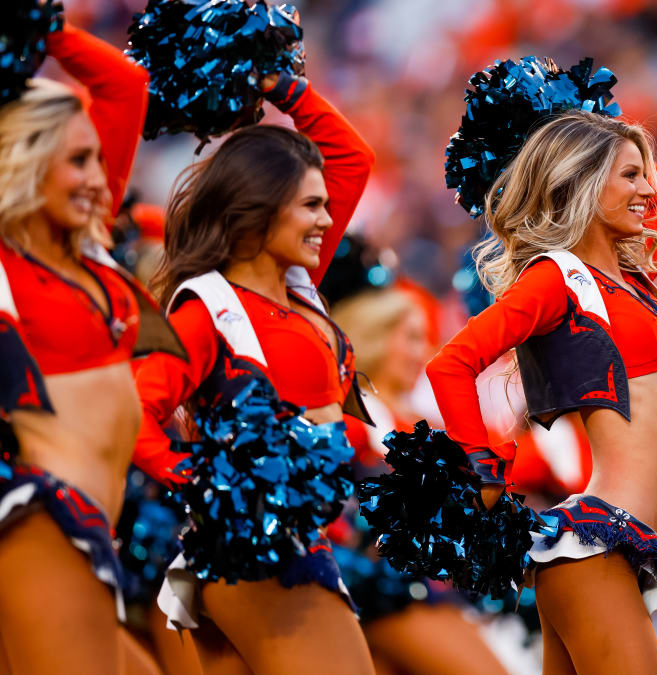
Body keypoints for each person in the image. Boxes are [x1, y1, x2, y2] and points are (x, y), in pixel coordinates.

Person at [426, 110, 657, 673]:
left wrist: (584, 116)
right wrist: (482, 471)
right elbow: (450, 364)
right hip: (596, 545)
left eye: (645, 174)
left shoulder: (632, 278)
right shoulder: (557, 279)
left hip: (622, 548)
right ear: (581, 182)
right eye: (629, 176)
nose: (649, 190)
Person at [133, 69, 376, 674]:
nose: (325, 221)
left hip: (297, 545)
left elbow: (353, 156)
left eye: (326, 204)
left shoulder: (299, 290)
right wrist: (207, 483)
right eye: (310, 206)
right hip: (252, 554)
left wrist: (280, 84)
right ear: (259, 211)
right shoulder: (206, 309)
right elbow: (136, 411)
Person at [0, 20, 181, 675]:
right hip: (39, 517)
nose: (97, 177)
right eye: (76, 161)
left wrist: (42, 26)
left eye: (95, 158)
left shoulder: (89, 239)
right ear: (24, 163)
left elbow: (125, 85)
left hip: (88, 529)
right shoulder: (5, 261)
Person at [331, 283, 511, 675]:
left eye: (426, 339)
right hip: (379, 588)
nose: (421, 353)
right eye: (410, 338)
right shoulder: (353, 418)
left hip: (427, 591)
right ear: (373, 336)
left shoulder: (422, 425)